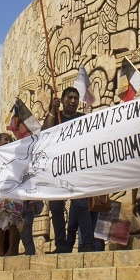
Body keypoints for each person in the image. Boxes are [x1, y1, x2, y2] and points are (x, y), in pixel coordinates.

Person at [43, 87, 83, 253]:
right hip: (57, 169)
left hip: (76, 168)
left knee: (80, 206)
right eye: (69, 98)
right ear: (63, 99)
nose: (73, 101)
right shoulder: (56, 117)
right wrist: (53, 109)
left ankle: (77, 242)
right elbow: (44, 132)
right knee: (56, 208)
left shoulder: (82, 119)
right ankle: (61, 244)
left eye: (76, 98)